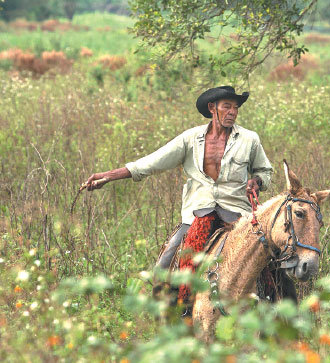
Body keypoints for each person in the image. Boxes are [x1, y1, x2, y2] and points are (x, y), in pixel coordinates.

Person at [84, 86, 275, 306]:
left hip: (237, 214)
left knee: (270, 263)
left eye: (235, 108)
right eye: (227, 106)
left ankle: (281, 310)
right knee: (164, 267)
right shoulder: (190, 138)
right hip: (197, 213)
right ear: (212, 108)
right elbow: (151, 163)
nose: (232, 112)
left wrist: (257, 181)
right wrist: (107, 176)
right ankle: (174, 312)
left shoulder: (250, 139)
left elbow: (265, 171)